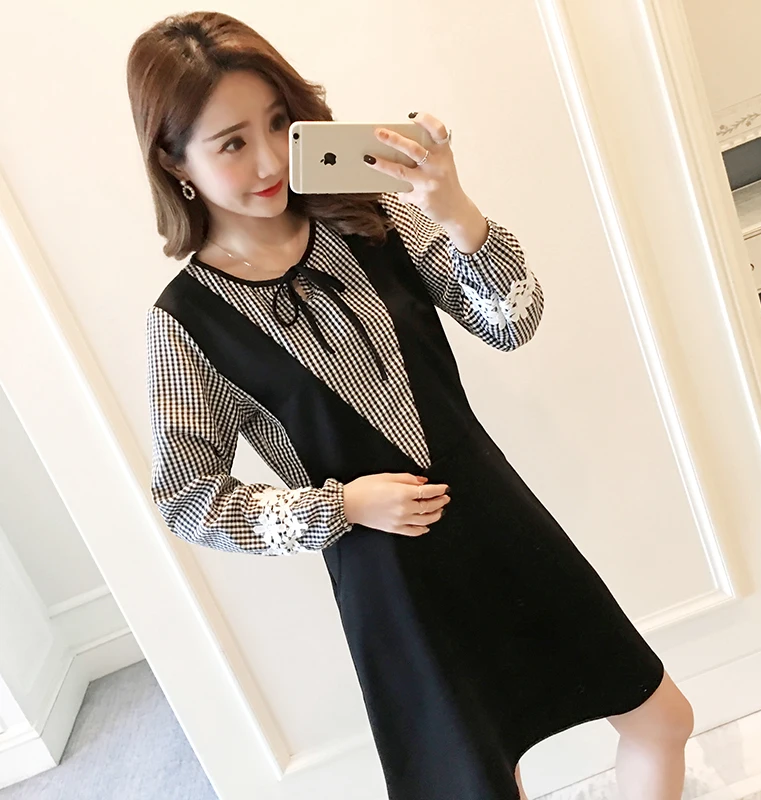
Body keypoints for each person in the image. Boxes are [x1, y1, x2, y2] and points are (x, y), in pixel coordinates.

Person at [128, 11, 694, 800]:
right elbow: (189, 500)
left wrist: (455, 206)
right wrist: (341, 505)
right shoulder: (186, 323)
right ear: (174, 160)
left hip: (497, 521)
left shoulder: (369, 218)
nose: (270, 160)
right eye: (231, 143)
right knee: (482, 783)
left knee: (660, 718)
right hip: (393, 586)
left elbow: (512, 321)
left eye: (279, 123)